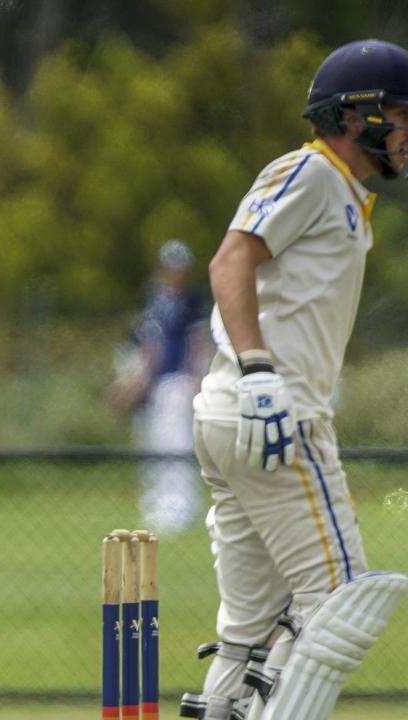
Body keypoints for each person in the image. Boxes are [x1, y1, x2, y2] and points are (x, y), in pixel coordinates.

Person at [177, 40, 408, 720]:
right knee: (341, 600)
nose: (406, 133)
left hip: (242, 416)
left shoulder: (345, 196)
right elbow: (228, 262)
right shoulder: (310, 172)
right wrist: (258, 371)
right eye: (399, 115)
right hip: (273, 413)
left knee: (250, 632)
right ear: (355, 114)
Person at [107, 238, 209, 533]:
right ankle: (158, 503)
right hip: (156, 384)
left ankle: (180, 507)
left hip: (177, 382)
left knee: (177, 446)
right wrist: (133, 383)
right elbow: (147, 346)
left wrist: (197, 379)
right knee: (155, 446)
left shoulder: (191, 301)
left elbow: (196, 343)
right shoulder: (157, 298)